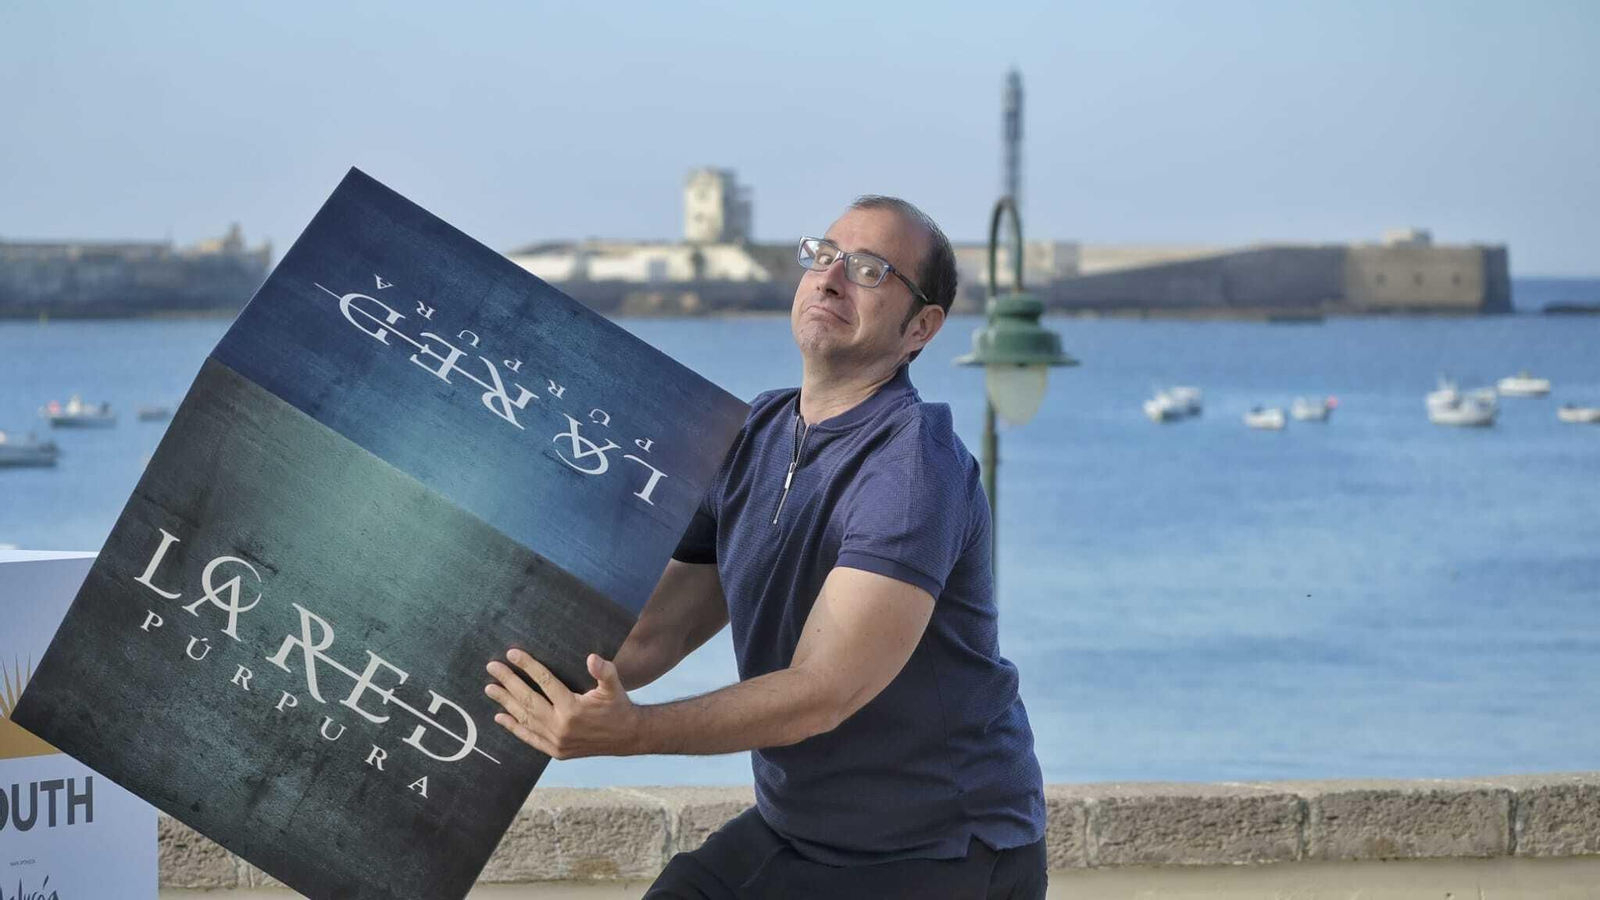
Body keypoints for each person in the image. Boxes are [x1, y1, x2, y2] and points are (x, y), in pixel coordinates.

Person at [485, 196, 1047, 898]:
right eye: (823, 255)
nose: (832, 278)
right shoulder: (753, 434)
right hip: (801, 831)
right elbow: (657, 634)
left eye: (871, 270)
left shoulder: (913, 469)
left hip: (943, 849)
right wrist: (493, 648)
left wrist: (632, 732)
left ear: (922, 328)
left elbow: (822, 692)